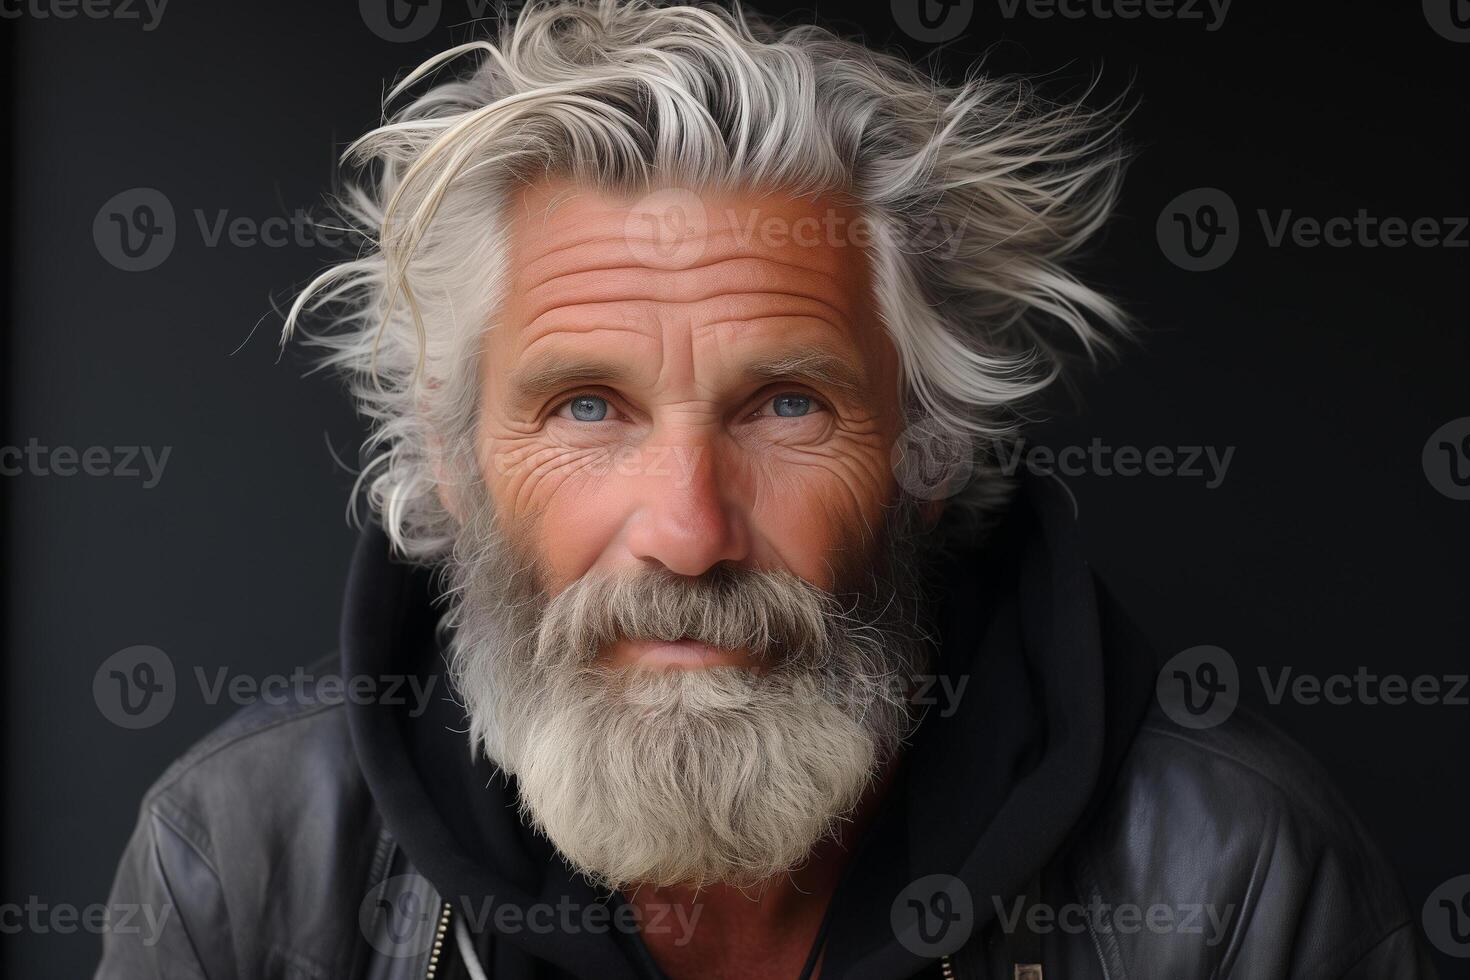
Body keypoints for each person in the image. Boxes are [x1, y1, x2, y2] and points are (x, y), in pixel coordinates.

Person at [97, 2, 1434, 977]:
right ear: (452, 462)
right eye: (586, 407)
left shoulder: (1229, 879)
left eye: (786, 404)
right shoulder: (243, 864)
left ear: (925, 450)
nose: (686, 532)